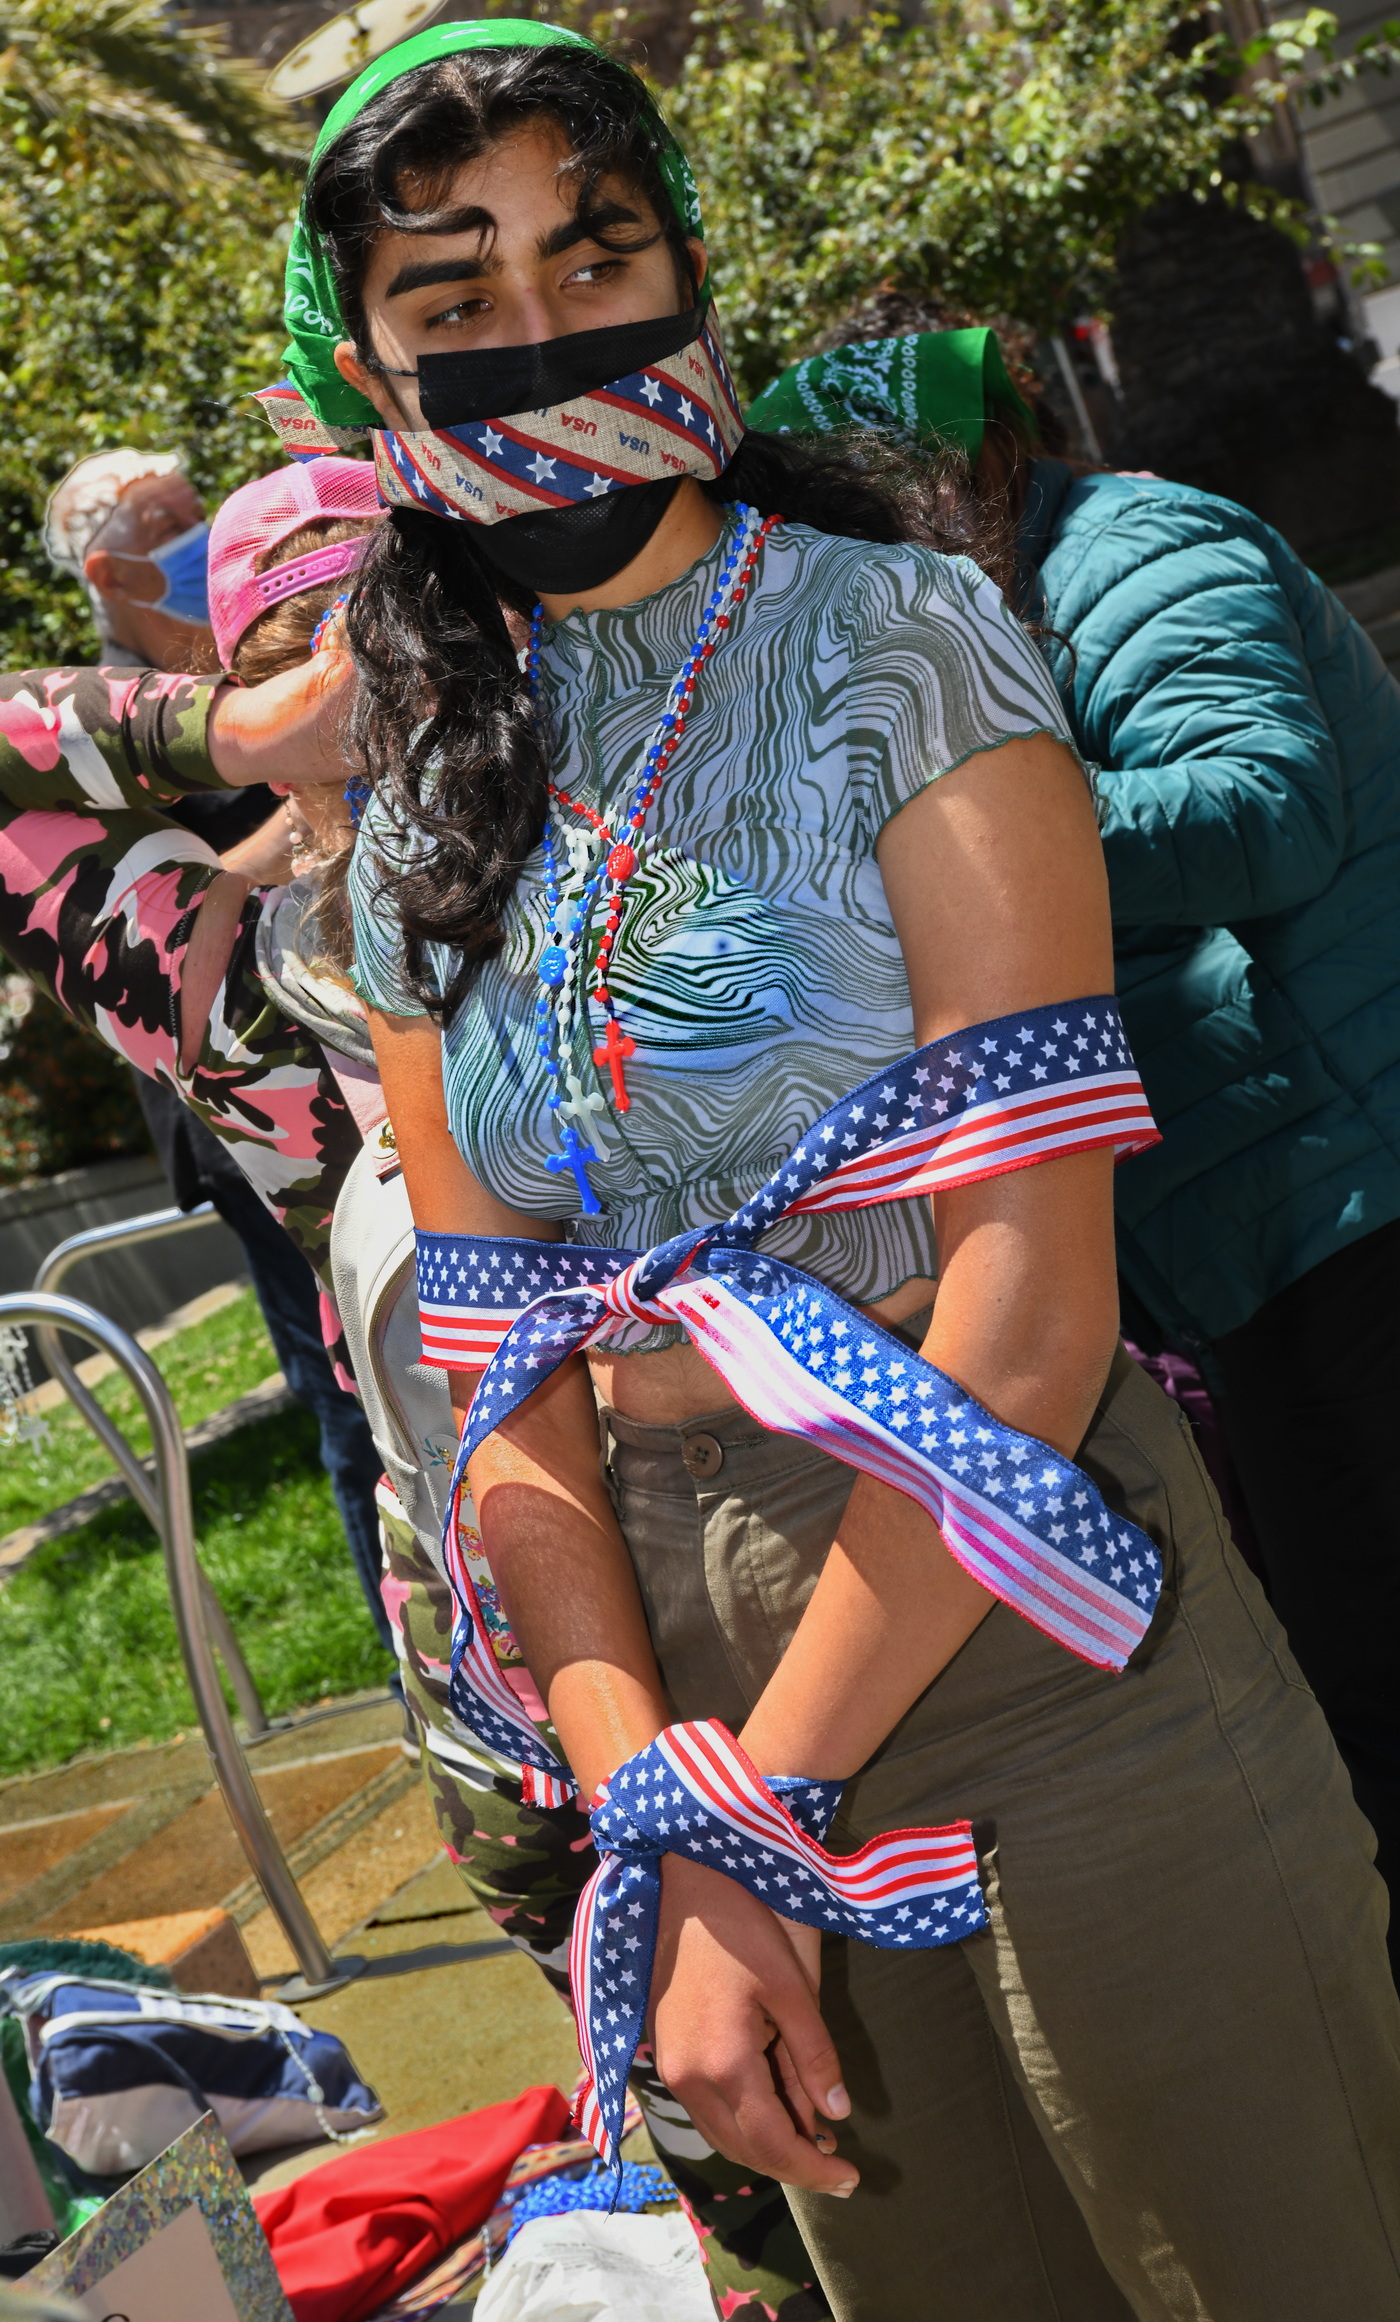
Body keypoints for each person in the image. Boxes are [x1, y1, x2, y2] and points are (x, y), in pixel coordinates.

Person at [231, 21, 1400, 2319]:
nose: (548, 331)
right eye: (458, 298)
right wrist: (654, 1798)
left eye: (598, 255)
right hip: (685, 1674)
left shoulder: (898, 638)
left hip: (1038, 1605)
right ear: (366, 377)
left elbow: (1032, 1298)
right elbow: (501, 1384)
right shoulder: (431, 799)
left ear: (686, 270)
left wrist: (751, 1802)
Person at [749, 317, 1400, 1971]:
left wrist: (957, 828)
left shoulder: (1138, 549)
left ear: (942, 480)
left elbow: (1264, 807)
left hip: (1363, 1181)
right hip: (1252, 1231)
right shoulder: (978, 626)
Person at [39, 451, 395, 1659]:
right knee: (344, 1405)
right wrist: (262, 748)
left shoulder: (257, 636)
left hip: (365, 1032)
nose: (193, 537)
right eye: (165, 525)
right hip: (254, 1103)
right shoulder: (101, 727)